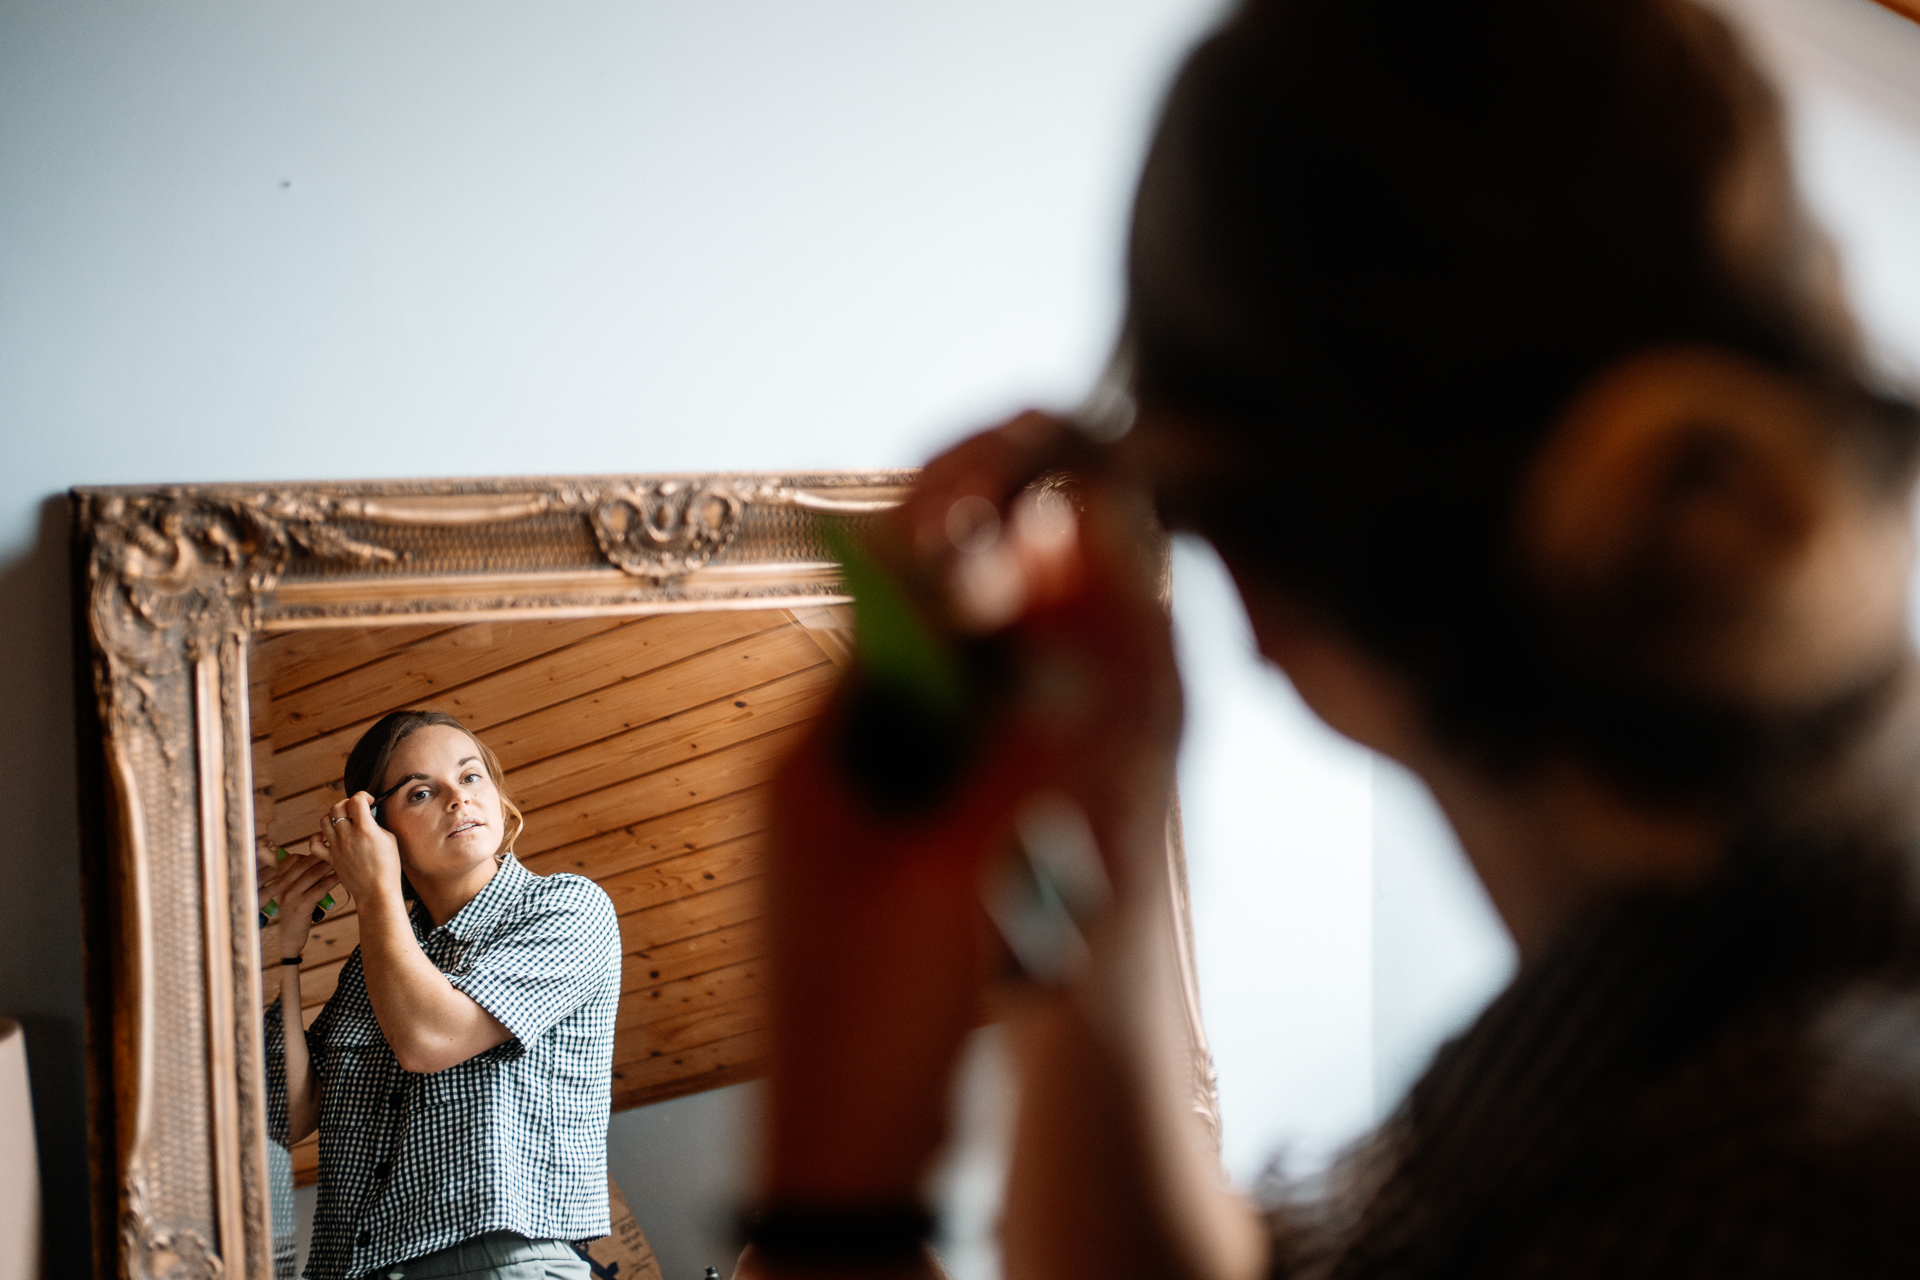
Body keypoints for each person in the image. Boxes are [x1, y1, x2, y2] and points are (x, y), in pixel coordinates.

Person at [743, 0, 1920, 1276]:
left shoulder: (1721, 1195)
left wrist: (837, 1175)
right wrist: (1097, 883)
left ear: (1253, 584)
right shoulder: (1704, 1045)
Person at [259, 710, 621, 1280]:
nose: (458, 798)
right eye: (422, 791)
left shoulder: (567, 907)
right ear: (379, 827)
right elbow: (285, 1115)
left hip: (499, 1266)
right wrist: (285, 953)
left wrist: (374, 886)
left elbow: (428, 1040)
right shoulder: (371, 968)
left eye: (471, 776)